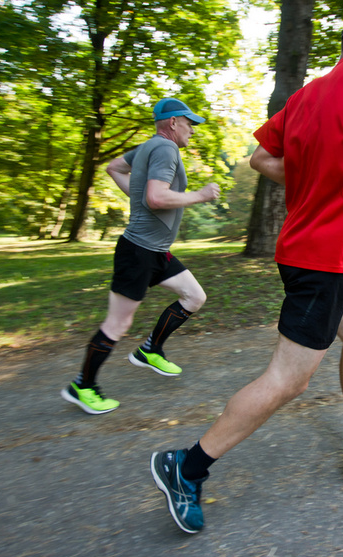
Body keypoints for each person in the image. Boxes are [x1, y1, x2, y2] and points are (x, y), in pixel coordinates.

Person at [150, 1, 343, 533]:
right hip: (323, 259)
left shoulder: (307, 95)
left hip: (312, 250)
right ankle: (187, 466)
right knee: (286, 380)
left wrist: (318, 176)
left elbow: (262, 159)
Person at [61, 98, 221, 415]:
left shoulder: (146, 147)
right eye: (189, 122)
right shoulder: (165, 149)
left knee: (194, 296)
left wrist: (138, 197)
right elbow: (156, 197)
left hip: (156, 251)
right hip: (138, 252)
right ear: (172, 122)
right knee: (117, 323)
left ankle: (151, 349)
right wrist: (199, 196)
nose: (193, 129)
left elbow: (114, 168)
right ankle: (83, 386)